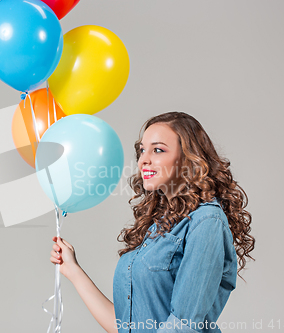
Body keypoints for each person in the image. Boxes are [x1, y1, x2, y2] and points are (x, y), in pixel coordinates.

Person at [49, 111, 255, 333]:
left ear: (188, 158)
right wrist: (72, 270)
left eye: (158, 150)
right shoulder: (157, 225)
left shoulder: (206, 221)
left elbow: (183, 326)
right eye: (142, 150)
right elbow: (124, 327)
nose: (143, 160)